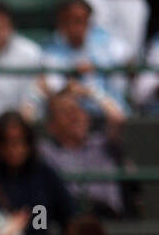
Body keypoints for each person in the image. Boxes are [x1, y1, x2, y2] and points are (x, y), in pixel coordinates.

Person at [38, 91, 128, 219]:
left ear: (88, 117)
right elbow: (20, 127)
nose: (74, 116)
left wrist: (91, 92)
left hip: (107, 218)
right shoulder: (46, 150)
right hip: (68, 220)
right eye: (65, 112)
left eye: (78, 109)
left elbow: (117, 118)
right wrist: (37, 95)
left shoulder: (104, 144)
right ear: (51, 126)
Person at [40, 0, 129, 123]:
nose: (75, 26)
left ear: (89, 21)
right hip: (70, 117)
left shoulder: (107, 43)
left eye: (80, 20)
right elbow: (52, 86)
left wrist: (97, 68)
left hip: (107, 115)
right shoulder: (50, 51)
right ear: (61, 23)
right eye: (69, 20)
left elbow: (130, 61)